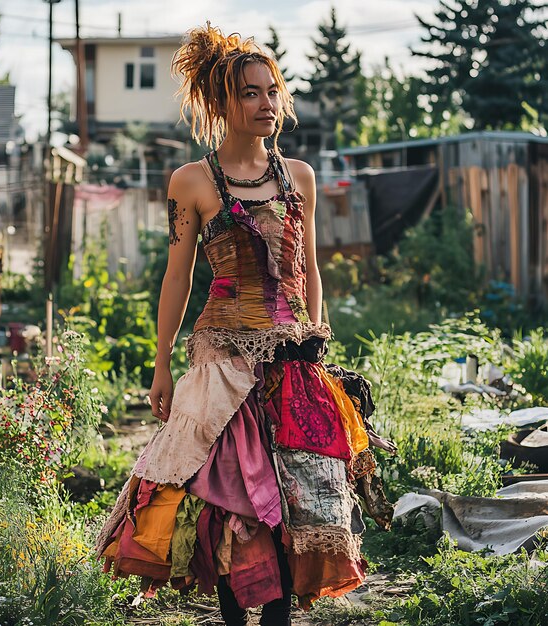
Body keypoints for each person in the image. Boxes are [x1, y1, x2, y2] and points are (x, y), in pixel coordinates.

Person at [95, 23, 395, 626]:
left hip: (290, 357)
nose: (267, 104)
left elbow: (309, 270)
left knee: (297, 498)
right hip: (222, 364)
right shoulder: (192, 182)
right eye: (251, 93)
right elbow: (176, 279)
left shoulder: (299, 177)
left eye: (272, 91)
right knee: (228, 500)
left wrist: (318, 341)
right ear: (222, 104)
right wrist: (160, 363)